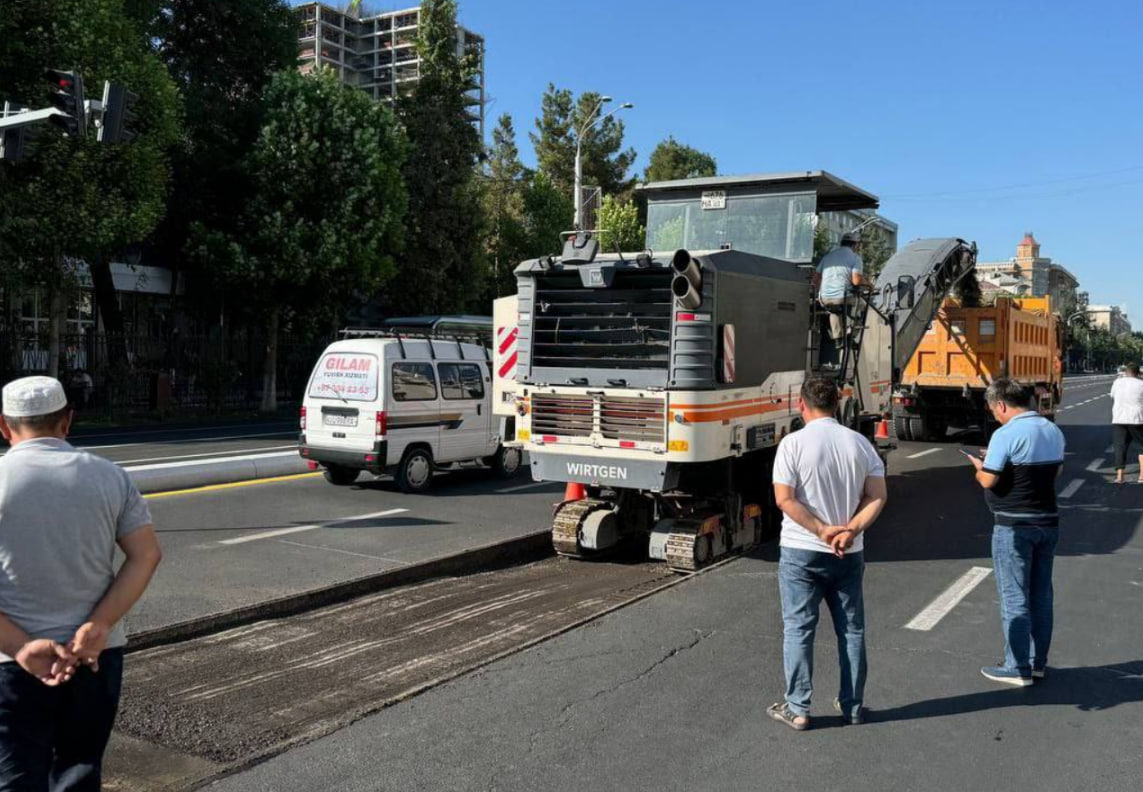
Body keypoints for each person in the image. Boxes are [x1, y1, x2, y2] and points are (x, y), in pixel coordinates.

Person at [0, 376, 162, 790]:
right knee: (79, 770)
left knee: (15, 777)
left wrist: (19, 645)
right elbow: (145, 555)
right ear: (67, 421)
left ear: (4, 426)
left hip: (10, 665)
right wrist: (99, 625)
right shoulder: (110, 477)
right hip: (94, 657)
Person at [768, 378, 888, 730]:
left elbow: (784, 499)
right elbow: (877, 496)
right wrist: (850, 530)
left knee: (799, 629)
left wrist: (822, 530)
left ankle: (798, 708)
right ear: (838, 403)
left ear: (801, 405)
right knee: (851, 630)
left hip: (801, 551)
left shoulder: (792, 444)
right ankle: (852, 706)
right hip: (849, 554)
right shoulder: (860, 444)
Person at [964, 378, 1065, 687]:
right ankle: (1037, 664)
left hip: (1014, 525)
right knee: (1041, 595)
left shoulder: (1004, 434)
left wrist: (977, 464)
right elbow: (1056, 472)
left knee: (1014, 597)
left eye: (994, 409)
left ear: (1002, 405)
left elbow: (988, 481)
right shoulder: (1053, 430)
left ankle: (1016, 667)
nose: (995, 415)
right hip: (1047, 522)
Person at [813, 231, 868, 346]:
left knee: (834, 311)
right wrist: (869, 285)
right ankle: (850, 336)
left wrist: (819, 292)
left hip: (825, 299)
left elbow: (816, 277)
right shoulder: (855, 258)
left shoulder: (828, 256)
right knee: (863, 306)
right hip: (843, 298)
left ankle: (838, 339)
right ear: (855, 245)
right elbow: (856, 281)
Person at [1110, 362, 1143, 484]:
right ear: (1138, 373)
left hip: (1119, 418)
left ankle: (1119, 477)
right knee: (1141, 447)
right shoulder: (1141, 384)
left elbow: (1112, 396)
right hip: (1137, 419)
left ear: (1126, 372)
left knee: (1119, 447)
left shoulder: (1117, 383)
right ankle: (1141, 476)